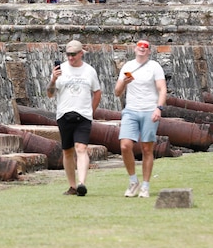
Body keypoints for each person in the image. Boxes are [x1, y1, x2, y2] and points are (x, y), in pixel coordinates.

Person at [47, 40, 102, 197]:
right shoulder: (60, 70)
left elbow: (97, 93)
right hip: (64, 113)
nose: (70, 58)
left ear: (81, 54)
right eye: (68, 55)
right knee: (68, 151)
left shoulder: (89, 71)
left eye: (73, 55)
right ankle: (72, 186)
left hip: (83, 115)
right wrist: (53, 80)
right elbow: (50, 94)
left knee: (81, 148)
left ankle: (81, 183)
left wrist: (91, 111)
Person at [114, 39, 167, 198]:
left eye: (145, 47)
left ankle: (145, 185)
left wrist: (159, 108)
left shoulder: (154, 67)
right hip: (131, 110)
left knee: (146, 149)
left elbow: (162, 89)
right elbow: (117, 92)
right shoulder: (128, 66)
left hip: (149, 110)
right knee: (125, 145)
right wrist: (124, 82)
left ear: (149, 51)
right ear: (135, 49)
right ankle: (133, 180)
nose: (142, 49)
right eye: (139, 46)